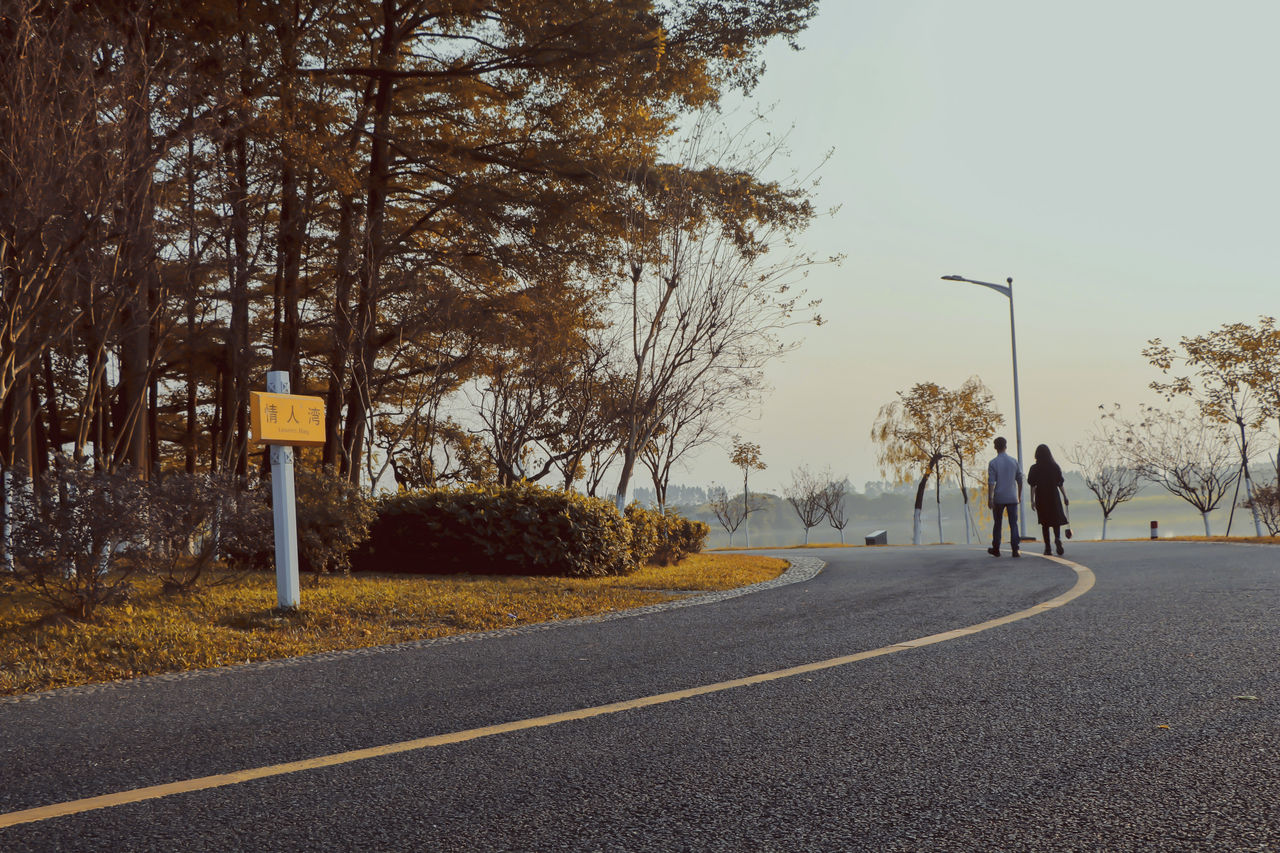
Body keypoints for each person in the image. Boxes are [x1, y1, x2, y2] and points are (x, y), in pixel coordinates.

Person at [1027, 443, 1070, 555]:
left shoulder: (1034, 468)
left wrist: (1032, 500)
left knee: (1045, 523)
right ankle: (1058, 538)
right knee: (1055, 521)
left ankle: (1047, 548)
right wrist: (1065, 496)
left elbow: (1032, 485)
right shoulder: (1054, 467)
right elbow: (1060, 483)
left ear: (1037, 455)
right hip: (1053, 496)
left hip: (1041, 497)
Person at [987, 436, 1022, 557]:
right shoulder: (1014, 461)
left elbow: (991, 483)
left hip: (999, 497)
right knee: (1013, 523)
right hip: (1012, 497)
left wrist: (990, 499)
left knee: (998, 523)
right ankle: (1015, 549)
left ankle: (996, 548)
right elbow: (1020, 479)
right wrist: (1019, 495)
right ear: (1005, 446)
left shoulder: (993, 463)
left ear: (995, 447)